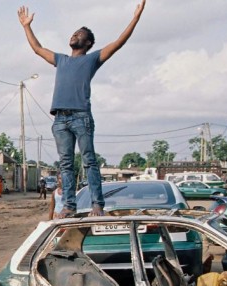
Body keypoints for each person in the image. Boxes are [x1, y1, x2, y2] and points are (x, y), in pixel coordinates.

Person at [18, 0, 146, 217]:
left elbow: (118, 43)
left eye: (79, 34)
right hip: (60, 119)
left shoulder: (92, 59)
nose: (73, 35)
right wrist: (26, 26)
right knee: (66, 165)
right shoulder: (61, 59)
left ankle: (97, 204)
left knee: (89, 161)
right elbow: (38, 49)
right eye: (73, 33)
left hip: (81, 117)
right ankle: (69, 206)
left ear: (87, 43)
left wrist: (135, 17)